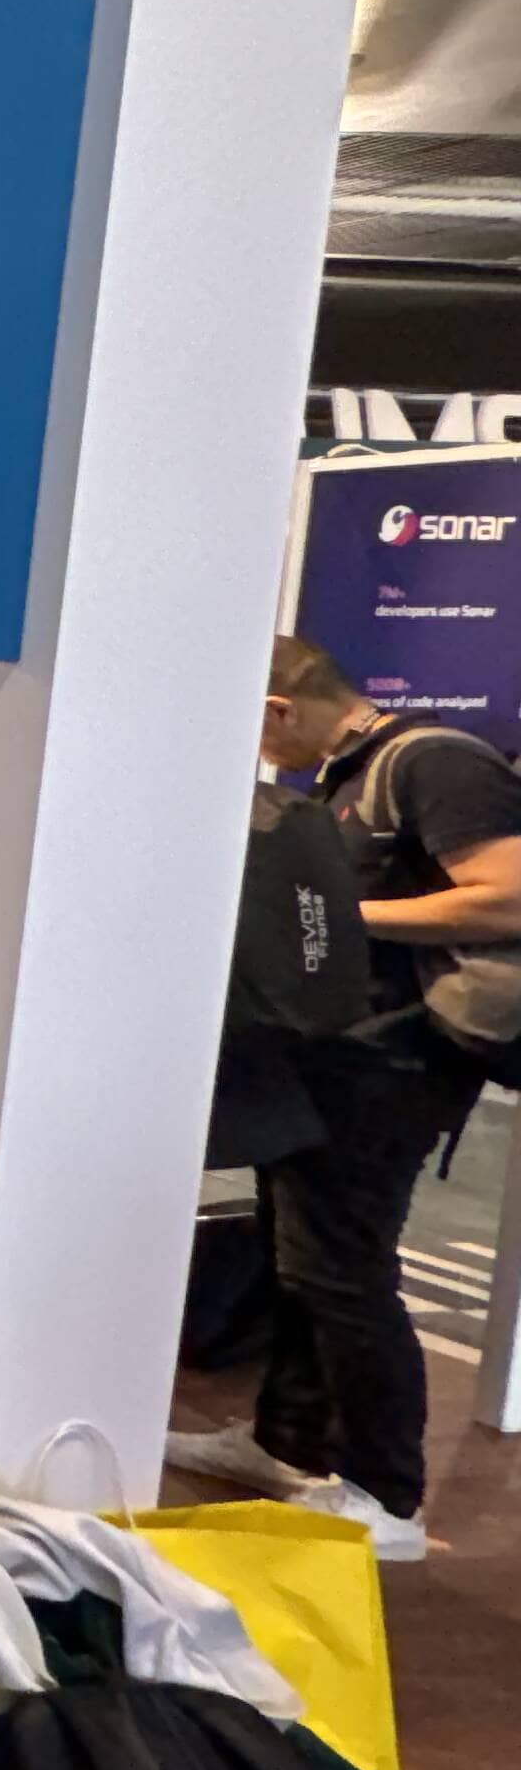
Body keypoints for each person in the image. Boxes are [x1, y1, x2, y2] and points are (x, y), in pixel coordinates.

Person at [240, 635, 521, 1559]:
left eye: (257, 728)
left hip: (397, 1063)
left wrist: (338, 916)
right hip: (333, 1055)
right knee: (298, 1255)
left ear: (280, 707)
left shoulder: (435, 762)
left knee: (343, 1268)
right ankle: (283, 1442)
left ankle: (386, 1495)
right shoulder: (346, 778)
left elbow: (509, 897)